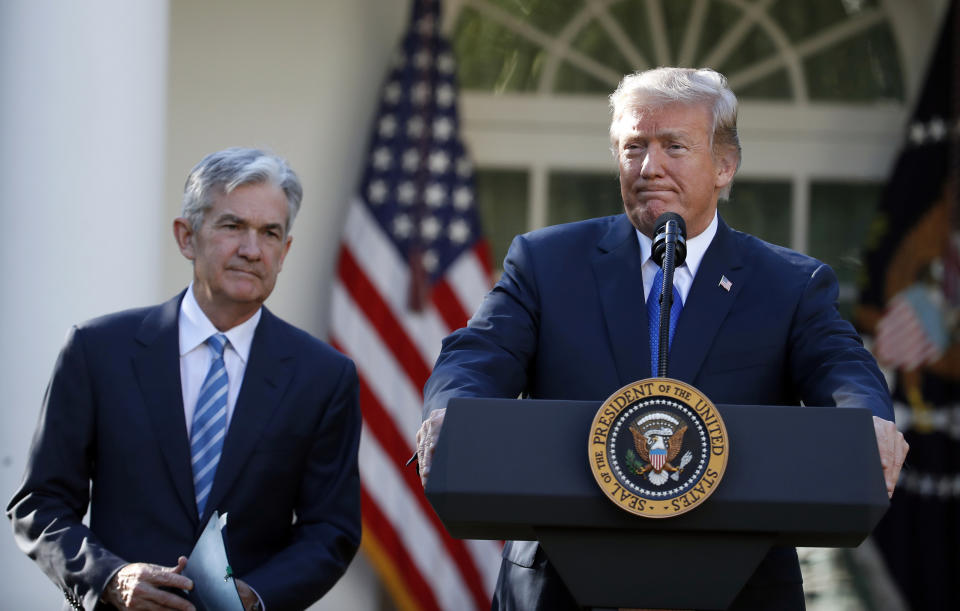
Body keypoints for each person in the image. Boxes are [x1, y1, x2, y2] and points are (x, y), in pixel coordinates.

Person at [416, 68, 909, 610]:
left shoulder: (789, 283)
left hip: (737, 586)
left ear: (725, 165)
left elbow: (841, 367)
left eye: (674, 145)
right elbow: (478, 354)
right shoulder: (546, 262)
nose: (650, 167)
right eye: (634, 148)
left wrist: (868, 419)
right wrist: (452, 410)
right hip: (561, 585)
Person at [8, 147, 362, 611]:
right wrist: (111, 577)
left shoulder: (324, 376)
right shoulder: (97, 351)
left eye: (269, 233)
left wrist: (256, 597)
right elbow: (40, 504)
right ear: (186, 236)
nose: (251, 249)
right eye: (232, 226)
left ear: (285, 250)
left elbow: (330, 530)